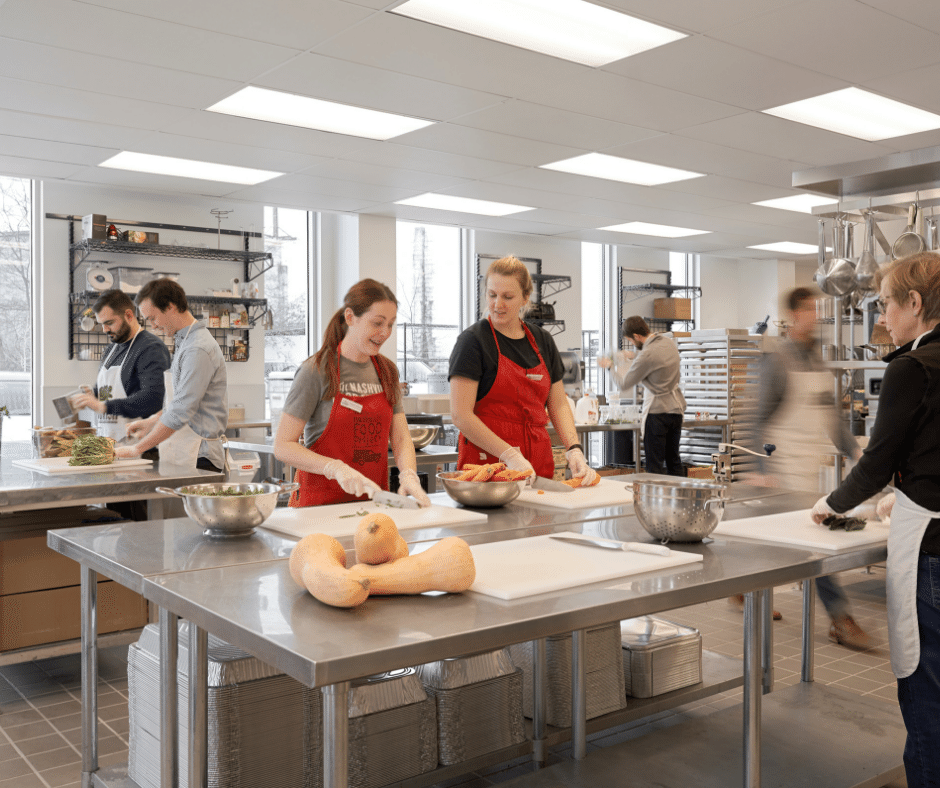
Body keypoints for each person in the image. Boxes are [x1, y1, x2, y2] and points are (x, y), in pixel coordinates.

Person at [810, 252, 940, 788]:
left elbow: (877, 460)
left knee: (928, 687)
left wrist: (831, 505)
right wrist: (911, 488)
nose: (881, 317)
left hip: (933, 549)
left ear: (915, 302)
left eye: (885, 303)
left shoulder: (912, 368)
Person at [747, 287, 866, 638]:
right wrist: (762, 468)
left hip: (809, 468)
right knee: (812, 545)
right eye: (810, 310)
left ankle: (746, 590)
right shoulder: (778, 361)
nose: (816, 316)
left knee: (783, 543)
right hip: (783, 467)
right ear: (795, 315)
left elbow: (831, 417)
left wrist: (855, 452)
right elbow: (758, 418)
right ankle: (841, 618)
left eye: (817, 309)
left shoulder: (817, 360)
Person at [273, 279, 431, 508]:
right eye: (377, 323)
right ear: (350, 317)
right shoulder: (316, 370)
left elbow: (400, 437)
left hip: (372, 505)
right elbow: (283, 446)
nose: (385, 333)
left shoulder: (387, 371)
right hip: (318, 507)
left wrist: (408, 474)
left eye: (391, 324)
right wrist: (334, 468)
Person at [448, 256, 597, 486]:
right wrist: (509, 455)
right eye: (492, 295)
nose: (498, 304)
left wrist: (574, 448)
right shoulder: (473, 341)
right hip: (488, 469)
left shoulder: (542, 340)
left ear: (525, 298)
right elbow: (461, 415)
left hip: (537, 465)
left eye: (508, 297)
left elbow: (557, 403)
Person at [114, 279, 228, 472]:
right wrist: (152, 421)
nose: (153, 326)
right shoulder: (184, 342)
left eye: (153, 318)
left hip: (200, 457)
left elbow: (181, 411)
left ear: (170, 307)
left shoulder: (197, 348)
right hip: (185, 452)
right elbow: (175, 402)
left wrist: (136, 449)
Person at [72, 289, 171, 456]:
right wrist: (92, 395)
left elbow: (153, 400)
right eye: (101, 324)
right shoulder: (111, 349)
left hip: (141, 453)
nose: (104, 329)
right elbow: (108, 392)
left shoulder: (150, 348)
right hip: (110, 449)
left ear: (129, 315)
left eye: (109, 323)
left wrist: (103, 406)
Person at [598, 316, 685, 476]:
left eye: (631, 341)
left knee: (655, 466)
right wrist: (634, 355)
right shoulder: (668, 343)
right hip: (676, 410)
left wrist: (610, 367)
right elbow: (655, 360)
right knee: (674, 461)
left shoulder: (646, 355)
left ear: (637, 337)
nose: (632, 344)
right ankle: (681, 499)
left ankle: (654, 500)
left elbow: (624, 384)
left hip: (657, 413)